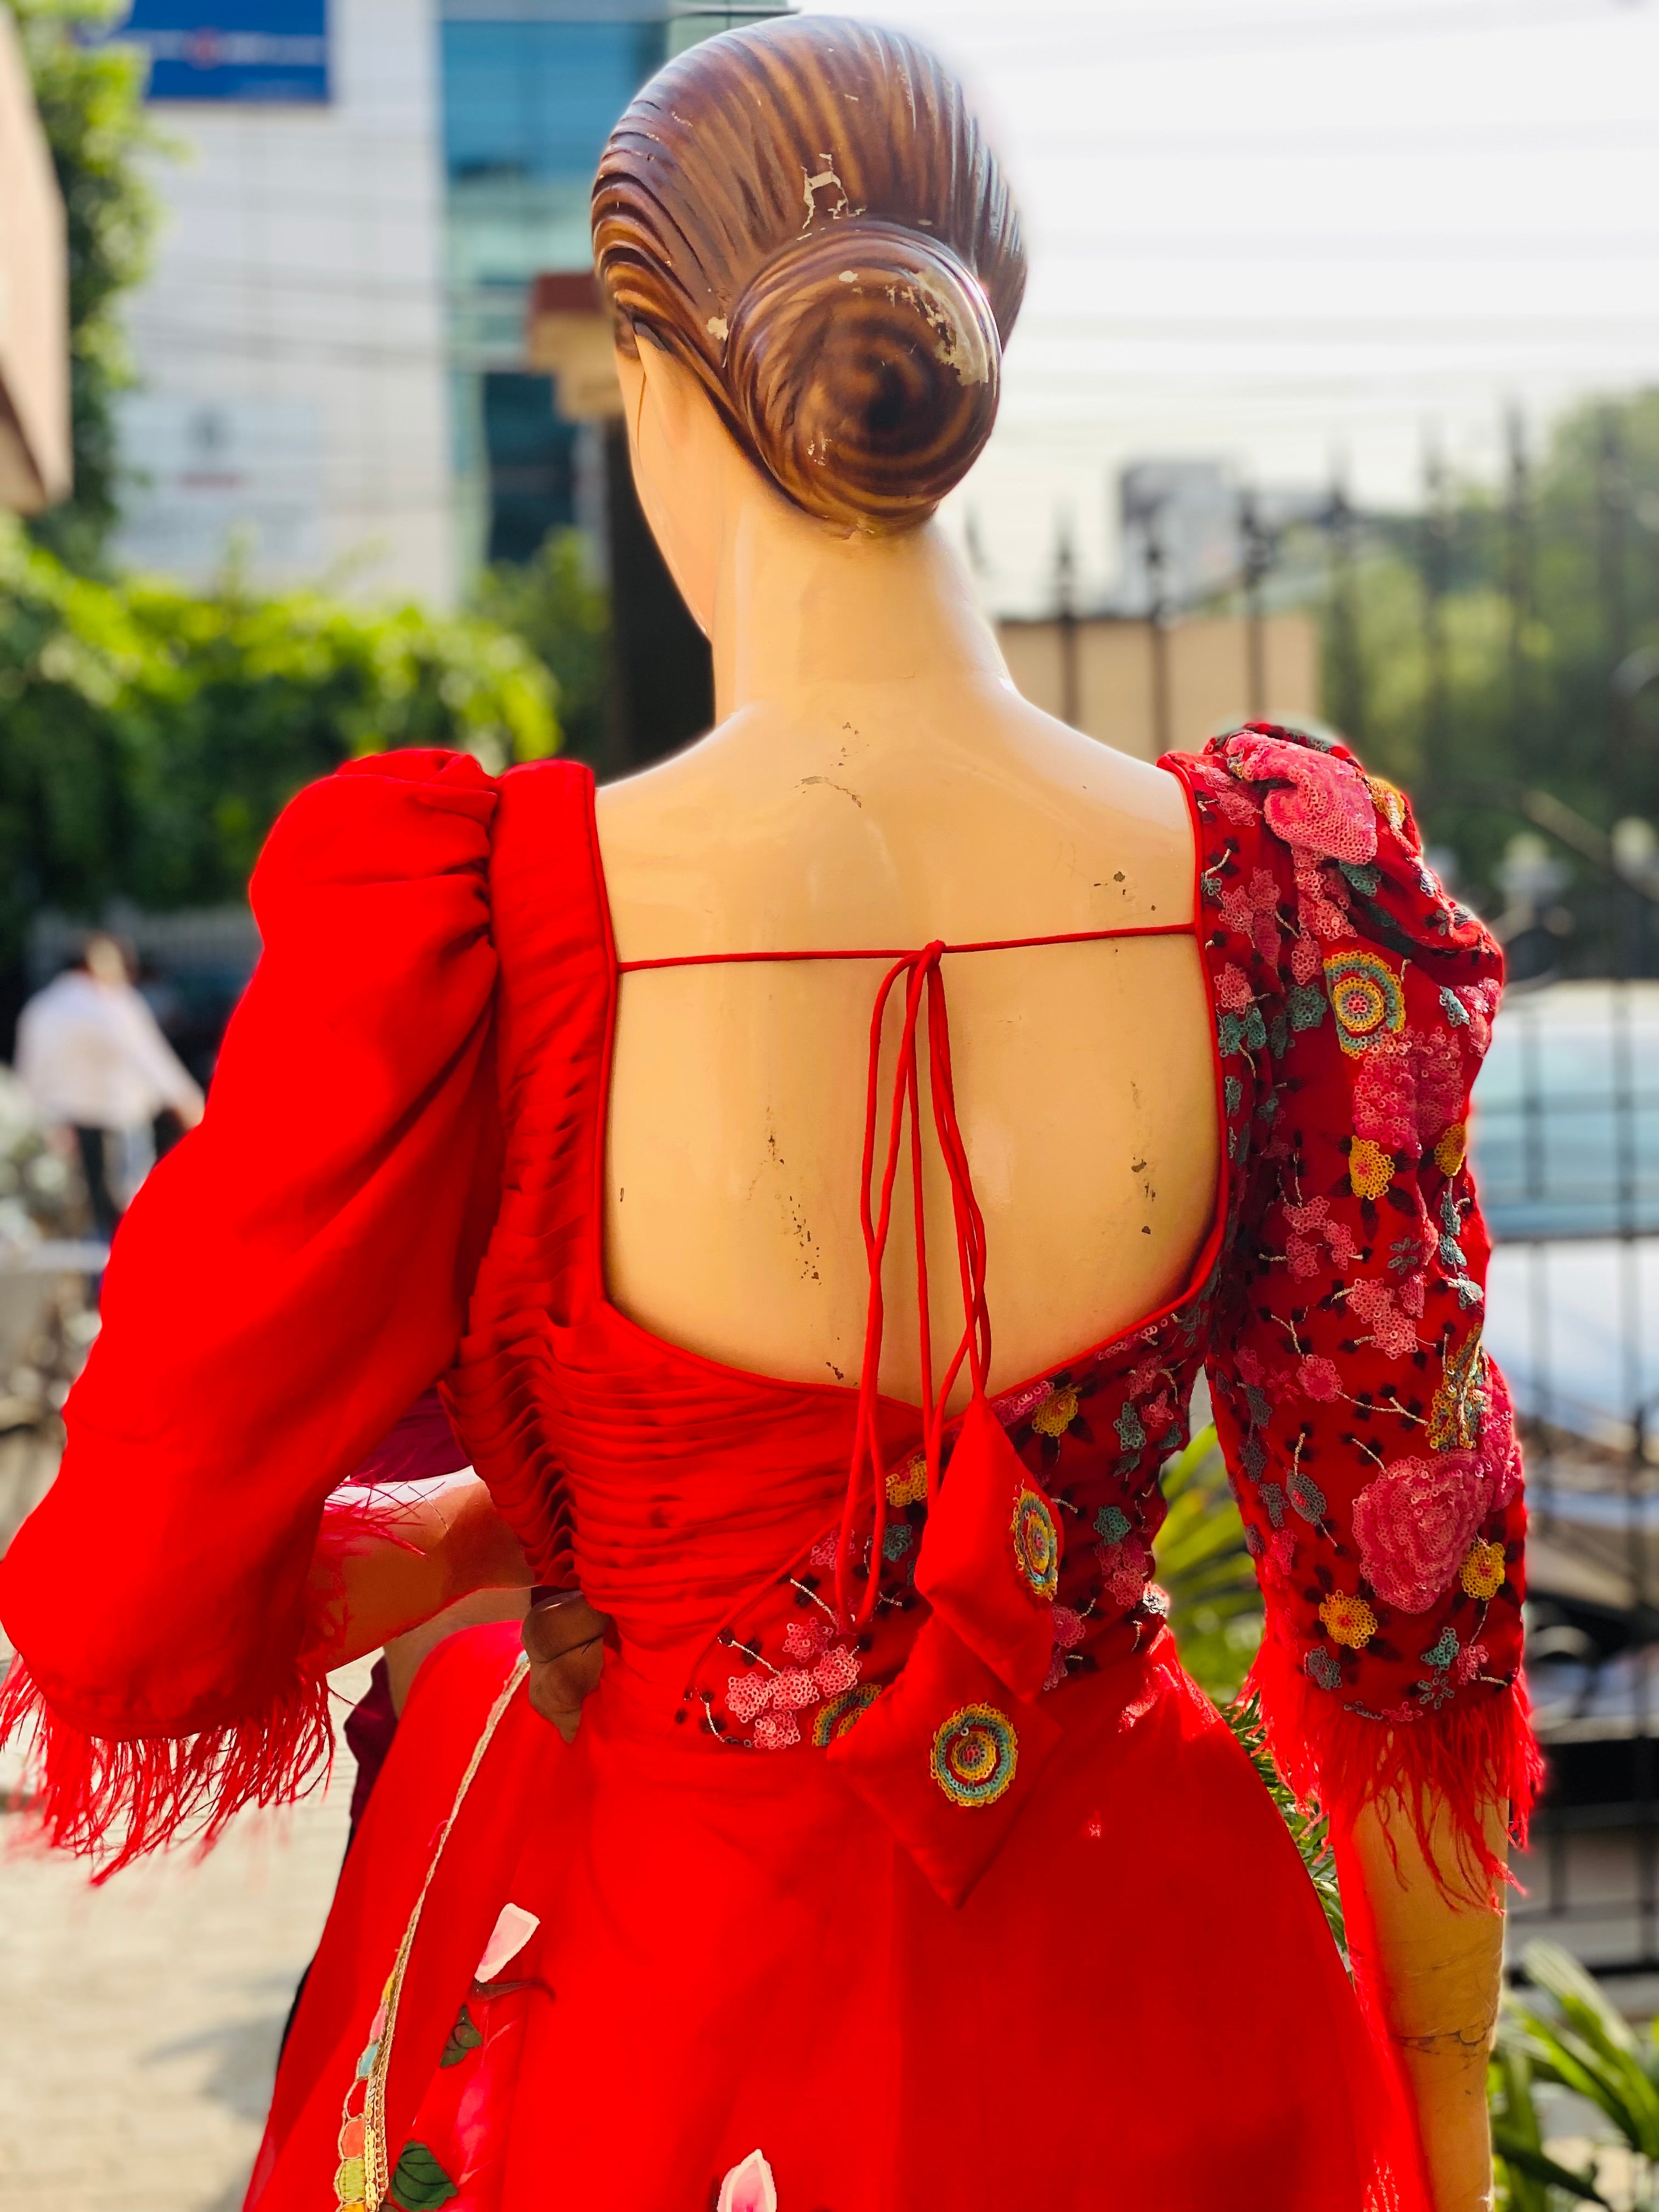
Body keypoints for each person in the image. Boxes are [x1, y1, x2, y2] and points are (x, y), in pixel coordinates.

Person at [0, 22, 1536, 2211]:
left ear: (649, 366)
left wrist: (470, 1533)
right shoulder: (1284, 885)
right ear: (979, 334)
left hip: (653, 2005)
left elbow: (126, 1603)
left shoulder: (493, 925)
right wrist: (1447, 2110)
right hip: (1164, 1983)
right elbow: (1410, 1596)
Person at [14, 932, 205, 1242]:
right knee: (127, 1215)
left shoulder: (42, 1007)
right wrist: (191, 1104)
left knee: (80, 1220)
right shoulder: (112, 1003)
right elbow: (151, 1058)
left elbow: (30, 1074)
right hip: (116, 1124)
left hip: (63, 1129)